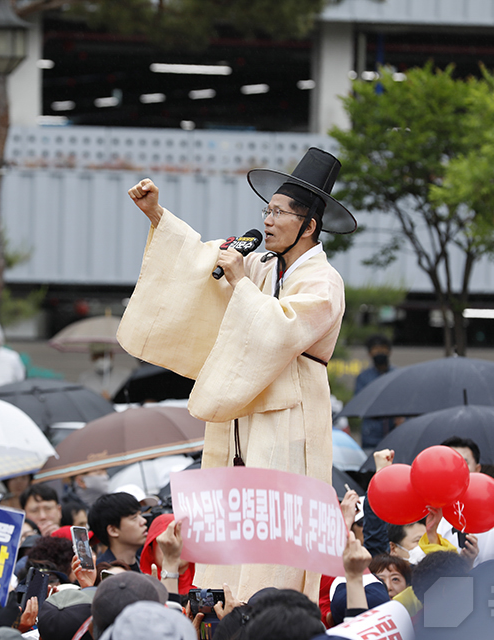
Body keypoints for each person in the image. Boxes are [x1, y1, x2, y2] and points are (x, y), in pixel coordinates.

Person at [118, 147, 356, 600]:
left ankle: (273, 605)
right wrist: (157, 216)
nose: (267, 220)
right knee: (236, 503)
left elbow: (283, 330)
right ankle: (221, 601)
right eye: (266, 210)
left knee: (277, 512)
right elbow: (199, 260)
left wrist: (241, 284)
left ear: (308, 226)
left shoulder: (323, 282)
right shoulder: (261, 264)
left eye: (279, 213)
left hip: (292, 406)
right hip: (246, 403)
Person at [437, 437, 494, 565]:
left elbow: (492, 569)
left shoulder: (490, 517)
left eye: (463, 463)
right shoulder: (432, 510)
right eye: (449, 463)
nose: (456, 469)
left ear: (477, 469)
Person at [88, 492, 148, 570]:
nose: (143, 521)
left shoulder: (146, 565)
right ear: (113, 530)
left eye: (140, 515)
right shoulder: (100, 574)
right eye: (134, 517)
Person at [356, 334, 396, 448]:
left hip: (394, 432)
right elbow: (361, 403)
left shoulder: (396, 374)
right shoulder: (363, 378)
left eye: (382, 348)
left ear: (389, 351)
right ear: (370, 353)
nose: (380, 352)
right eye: (376, 349)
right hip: (371, 434)